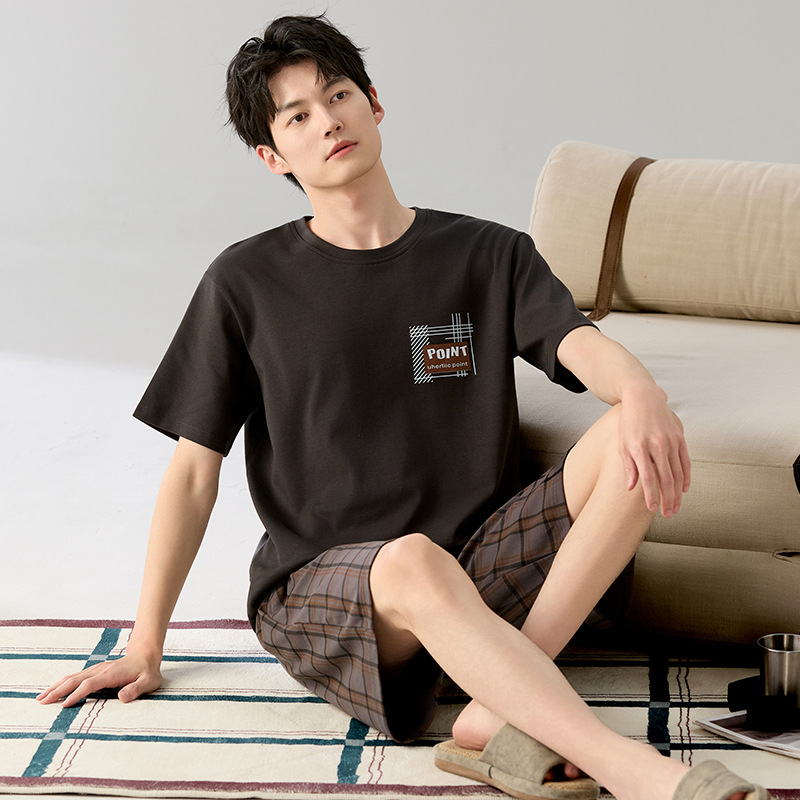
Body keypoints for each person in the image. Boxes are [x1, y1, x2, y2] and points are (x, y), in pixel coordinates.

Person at [38, 14, 770, 800]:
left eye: (338, 95)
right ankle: (634, 769)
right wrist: (146, 643)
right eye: (297, 117)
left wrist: (643, 393)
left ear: (374, 103)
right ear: (271, 155)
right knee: (414, 559)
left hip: (478, 570)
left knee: (634, 433)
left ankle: (495, 709)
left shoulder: (487, 253)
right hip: (325, 590)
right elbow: (192, 473)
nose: (328, 122)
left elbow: (577, 343)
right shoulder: (244, 283)